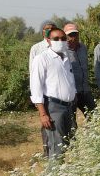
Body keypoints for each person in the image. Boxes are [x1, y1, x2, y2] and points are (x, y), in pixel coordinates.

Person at [29, 27, 76, 159]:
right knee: (57, 146)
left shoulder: (66, 58)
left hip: (68, 106)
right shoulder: (42, 59)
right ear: (49, 40)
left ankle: (62, 175)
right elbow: (36, 87)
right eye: (56, 39)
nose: (60, 41)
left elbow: (69, 81)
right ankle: (53, 175)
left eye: (63, 38)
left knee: (67, 143)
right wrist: (43, 113)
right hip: (54, 107)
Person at [29, 19, 56, 156]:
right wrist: (35, 97)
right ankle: (47, 151)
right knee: (45, 122)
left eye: (52, 28)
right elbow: (32, 74)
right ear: (42, 32)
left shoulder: (60, 46)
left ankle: (57, 150)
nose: (49, 30)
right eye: (46, 29)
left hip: (56, 93)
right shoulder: (36, 48)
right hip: (43, 92)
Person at [64, 23, 96, 122]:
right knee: (71, 122)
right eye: (70, 35)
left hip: (85, 90)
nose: (73, 38)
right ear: (65, 36)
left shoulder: (83, 48)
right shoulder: (62, 51)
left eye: (75, 34)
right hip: (72, 92)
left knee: (94, 116)